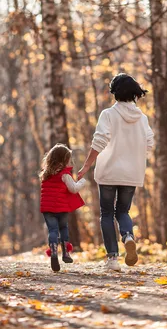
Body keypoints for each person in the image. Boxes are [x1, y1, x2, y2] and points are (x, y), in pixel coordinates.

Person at [78, 73, 154, 272]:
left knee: (106, 213)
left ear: (115, 93)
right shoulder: (142, 118)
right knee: (123, 211)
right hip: (131, 174)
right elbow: (150, 143)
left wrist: (86, 165)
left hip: (109, 172)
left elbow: (100, 141)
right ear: (135, 93)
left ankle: (112, 259)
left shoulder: (108, 115)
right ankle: (128, 236)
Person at [40, 143, 86, 272]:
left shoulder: (45, 174)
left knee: (52, 231)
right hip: (61, 208)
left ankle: (54, 251)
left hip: (47, 208)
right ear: (64, 160)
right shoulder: (65, 175)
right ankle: (66, 253)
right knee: (63, 228)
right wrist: (82, 182)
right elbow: (73, 189)